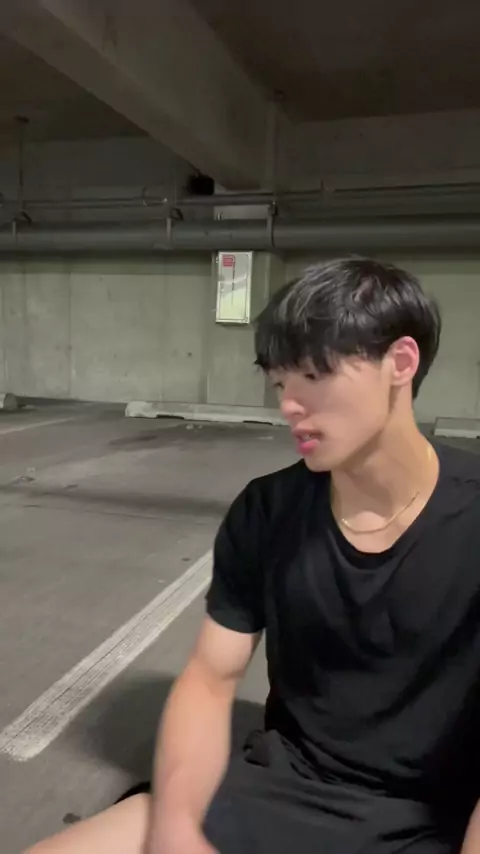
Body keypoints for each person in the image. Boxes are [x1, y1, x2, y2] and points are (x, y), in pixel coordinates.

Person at [26, 257, 480, 854]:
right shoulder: (268, 510)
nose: (288, 405)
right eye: (280, 383)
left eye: (313, 375)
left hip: (433, 816)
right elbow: (210, 679)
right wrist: (176, 828)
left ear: (400, 363)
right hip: (284, 786)